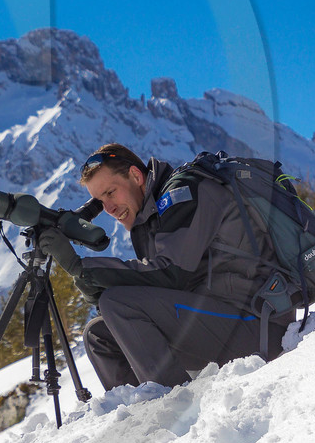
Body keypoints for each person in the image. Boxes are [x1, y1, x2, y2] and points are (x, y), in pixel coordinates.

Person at [36, 143, 292, 390]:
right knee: (99, 334)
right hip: (224, 320)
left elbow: (172, 273)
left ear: (136, 176)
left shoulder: (183, 193)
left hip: (260, 324)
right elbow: (157, 288)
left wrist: (83, 268)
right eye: (100, 202)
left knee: (118, 302)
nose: (109, 209)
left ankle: (169, 410)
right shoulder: (148, 216)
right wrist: (95, 285)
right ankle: (138, 418)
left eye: (110, 193)